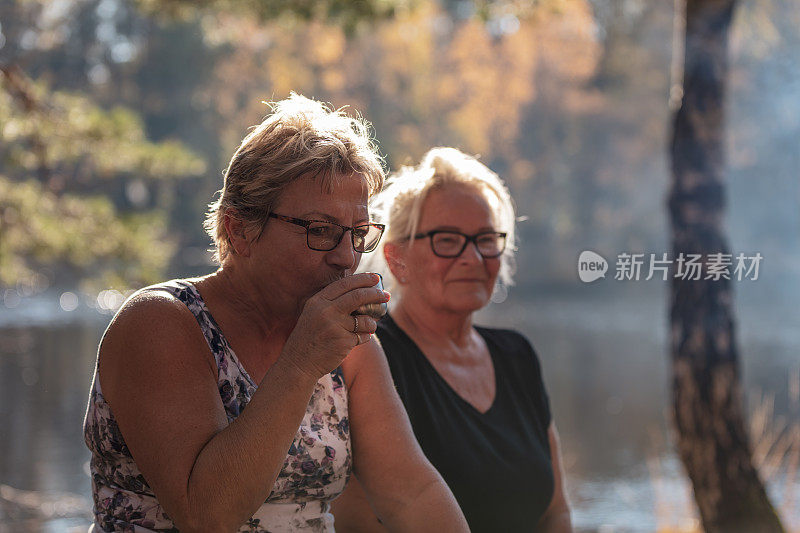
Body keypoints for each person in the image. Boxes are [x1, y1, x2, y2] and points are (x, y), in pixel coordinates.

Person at [82, 95, 469, 533]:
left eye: (358, 234)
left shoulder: (350, 349)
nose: (346, 257)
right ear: (240, 229)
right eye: (321, 231)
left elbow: (411, 495)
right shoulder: (160, 324)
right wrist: (301, 362)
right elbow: (206, 515)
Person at [332, 147, 572, 532]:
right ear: (396, 261)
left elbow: (556, 511)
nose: (473, 257)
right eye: (447, 240)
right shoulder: (369, 356)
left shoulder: (517, 355)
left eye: (486, 239)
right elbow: (357, 519)